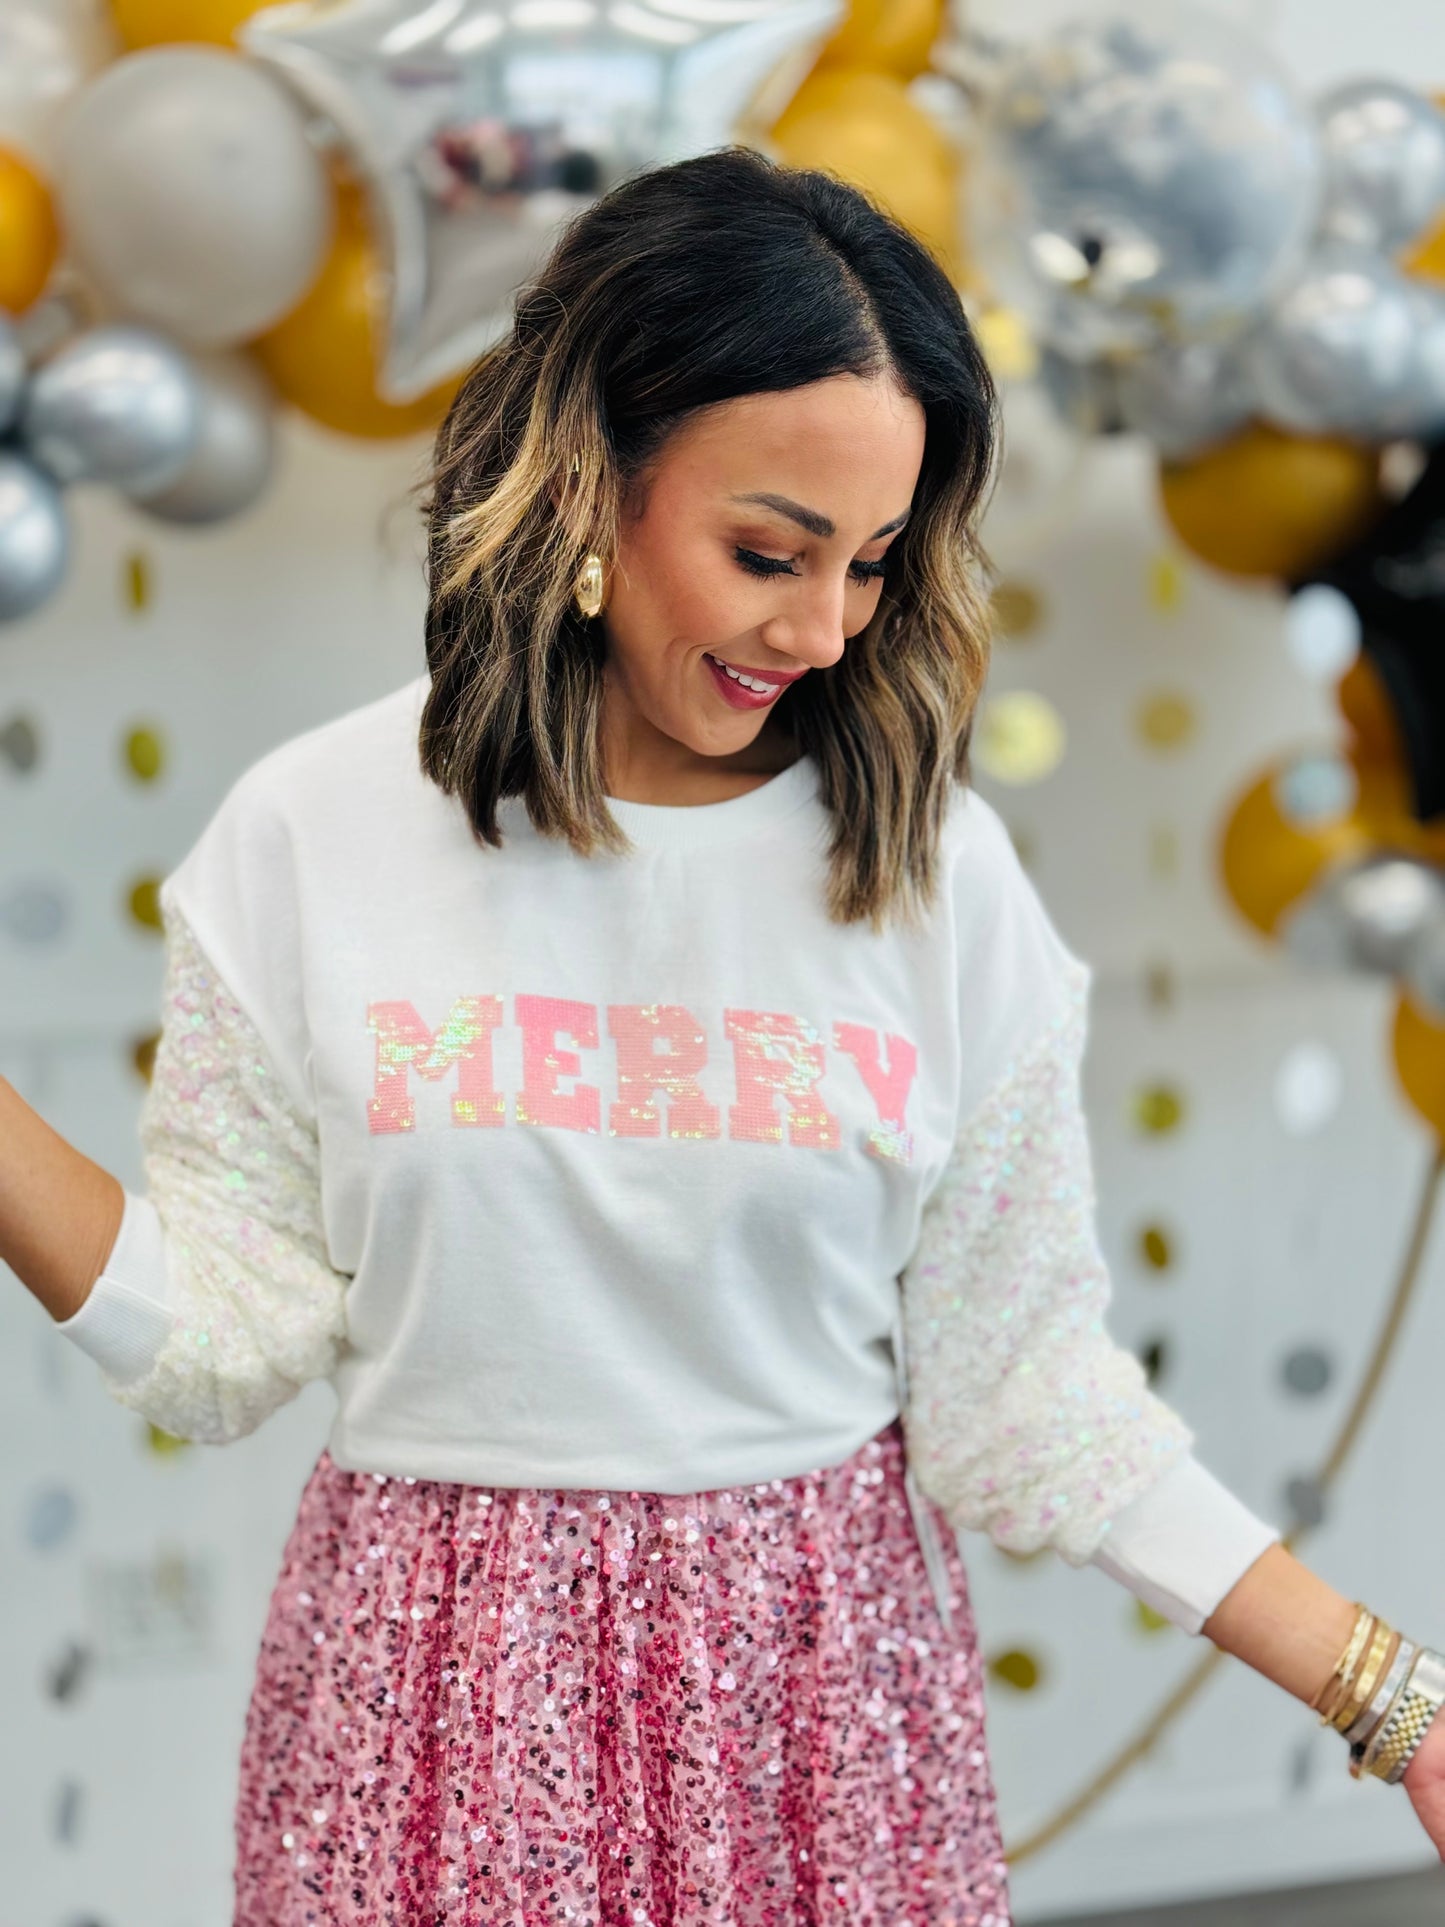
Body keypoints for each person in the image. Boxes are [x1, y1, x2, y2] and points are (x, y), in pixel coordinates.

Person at [6, 147, 1444, 1925]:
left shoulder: (937, 881)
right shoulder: (307, 837)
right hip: (426, 1718)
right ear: (588, 480)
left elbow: (1027, 1399)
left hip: (822, 1714)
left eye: (869, 562)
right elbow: (227, 1340)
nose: (822, 628)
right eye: (768, 551)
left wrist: (1395, 1707)